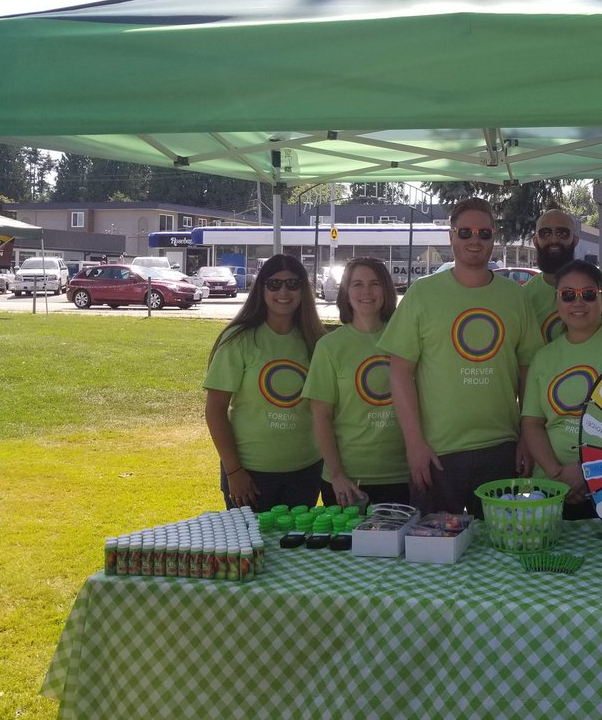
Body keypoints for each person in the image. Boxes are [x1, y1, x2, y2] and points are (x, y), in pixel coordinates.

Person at [380, 196, 542, 515]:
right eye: (465, 232)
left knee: (500, 555)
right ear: (451, 236)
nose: (474, 240)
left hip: (501, 449)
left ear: (494, 237)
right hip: (438, 452)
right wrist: (414, 444)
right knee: (435, 558)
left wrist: (527, 437)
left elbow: (528, 371)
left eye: (484, 233)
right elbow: (399, 372)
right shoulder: (422, 294)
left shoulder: (516, 297)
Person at [203, 254, 326, 512]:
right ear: (261, 288)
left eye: (293, 284)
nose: (283, 291)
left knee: (295, 552)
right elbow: (215, 410)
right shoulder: (238, 339)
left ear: (304, 290)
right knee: (252, 552)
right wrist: (234, 471)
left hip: (306, 471)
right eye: (274, 284)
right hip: (250, 474)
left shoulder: (317, 341)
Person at [521, 259, 602, 519]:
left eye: (588, 295)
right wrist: (557, 474)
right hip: (550, 488)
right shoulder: (543, 357)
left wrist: (586, 469)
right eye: (568, 295)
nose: (578, 303)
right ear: (557, 301)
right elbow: (532, 423)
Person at [304, 258, 411, 508]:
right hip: (348, 481)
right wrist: (338, 475)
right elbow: (321, 417)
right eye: (357, 284)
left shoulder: (406, 338)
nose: (366, 291)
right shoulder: (329, 346)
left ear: (386, 289)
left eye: (375, 283)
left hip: (403, 475)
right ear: (345, 292)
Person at [522, 208, 602, 342]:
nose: (554, 239)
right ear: (536, 241)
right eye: (545, 233)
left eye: (562, 233)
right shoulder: (524, 295)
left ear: (575, 240)